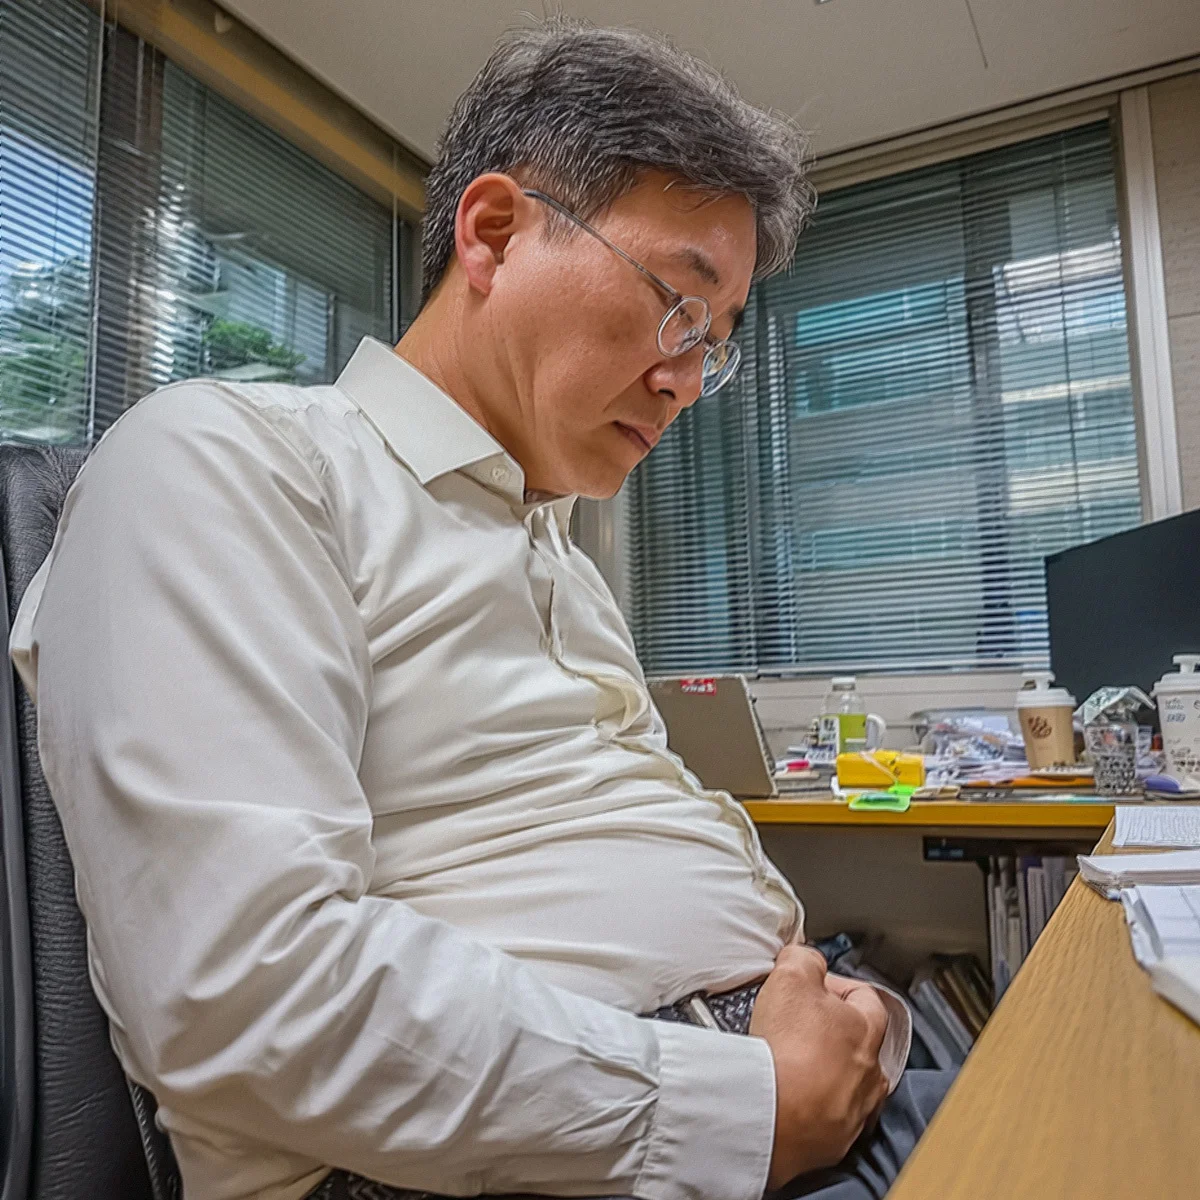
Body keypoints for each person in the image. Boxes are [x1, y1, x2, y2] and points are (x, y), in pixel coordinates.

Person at [10, 17, 952, 1200]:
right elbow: (246, 989)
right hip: (559, 1144)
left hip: (747, 1078)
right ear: (495, 232)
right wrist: (748, 1105)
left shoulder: (553, 554)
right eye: (678, 303)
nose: (685, 380)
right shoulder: (229, 460)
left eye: (715, 345)